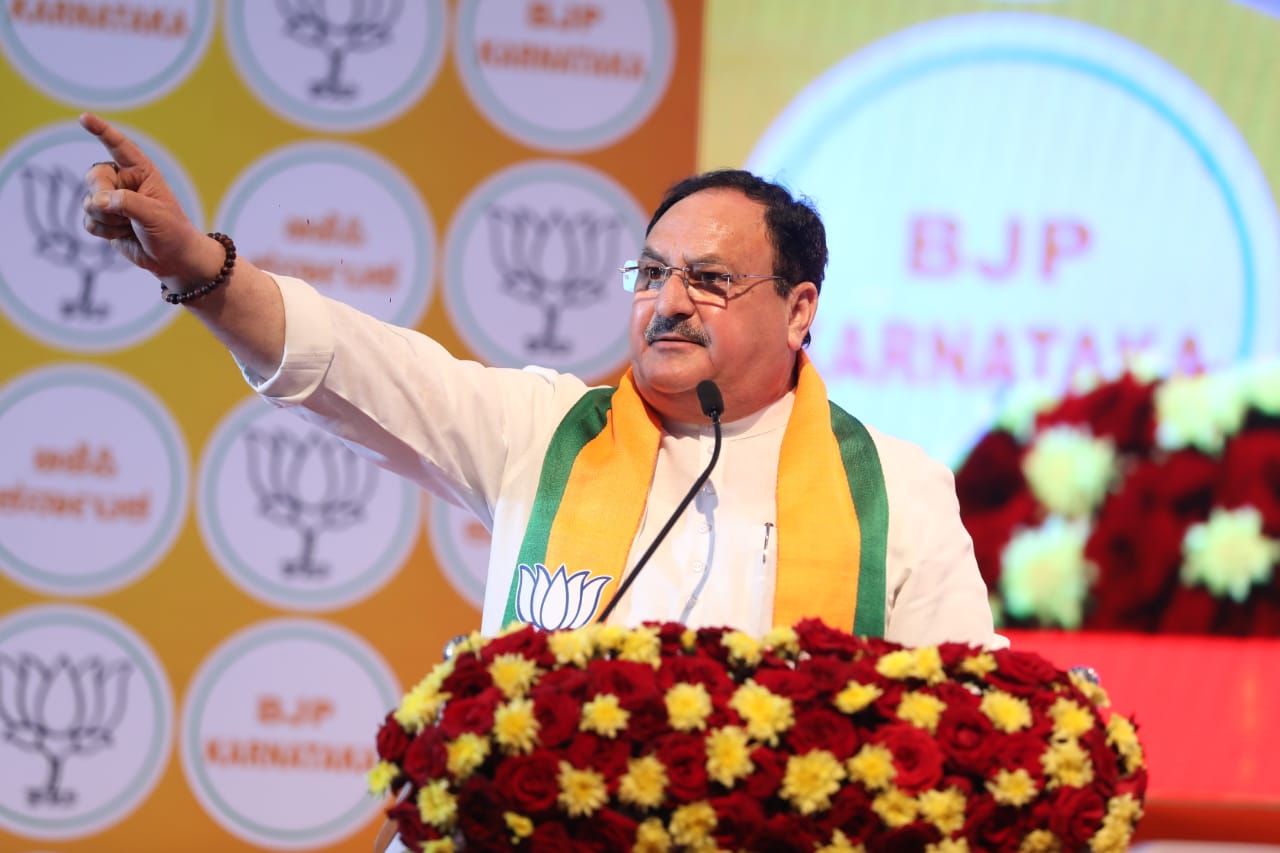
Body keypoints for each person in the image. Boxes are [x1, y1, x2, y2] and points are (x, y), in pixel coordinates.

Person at [79, 112, 1003, 649]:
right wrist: (199, 266)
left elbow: (967, 712)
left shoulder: (895, 486)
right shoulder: (551, 430)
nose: (668, 303)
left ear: (800, 310)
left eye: (710, 280)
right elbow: (355, 365)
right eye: (651, 274)